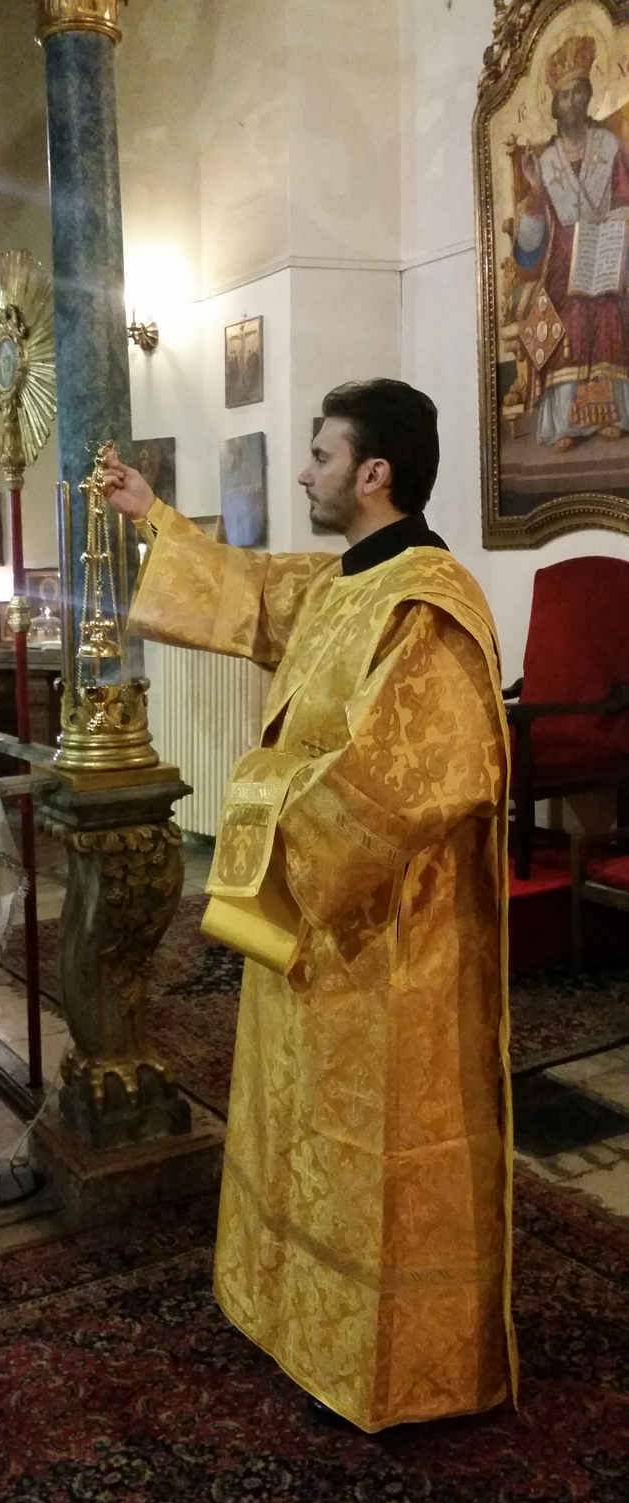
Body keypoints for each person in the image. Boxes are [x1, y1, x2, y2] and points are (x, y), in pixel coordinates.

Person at [104, 378, 516, 1434]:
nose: (302, 472)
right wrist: (151, 516)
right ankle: (290, 1312)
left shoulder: (427, 605)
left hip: (388, 937)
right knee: (303, 1128)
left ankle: (392, 1367)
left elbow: (417, 778)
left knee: (377, 1153)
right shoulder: (348, 580)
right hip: (310, 915)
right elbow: (249, 592)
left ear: (374, 473)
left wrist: (259, 807)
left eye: (321, 456)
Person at [511, 33, 629, 449]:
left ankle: (612, 415)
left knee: (609, 308)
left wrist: (614, 227)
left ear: (589, 95)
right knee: (572, 311)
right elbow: (529, 246)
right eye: (564, 96)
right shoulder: (545, 162)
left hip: (610, 254)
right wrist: (534, 194)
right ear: (555, 106)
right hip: (563, 265)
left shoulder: (609, 146)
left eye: (579, 92)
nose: (573, 102)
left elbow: (625, 200)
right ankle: (567, 424)